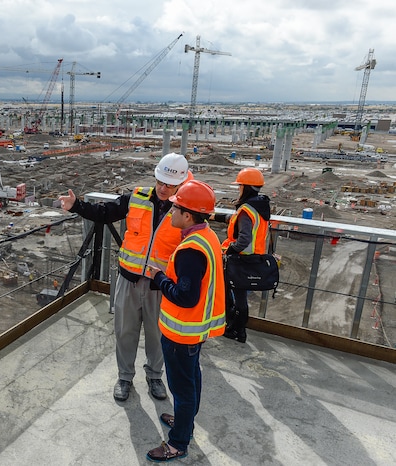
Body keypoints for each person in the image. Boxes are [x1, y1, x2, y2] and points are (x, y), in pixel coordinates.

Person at [58, 152, 190, 402]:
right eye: (161, 182)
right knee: (124, 331)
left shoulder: (183, 212)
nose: (163, 188)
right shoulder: (136, 198)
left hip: (160, 285)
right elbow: (104, 212)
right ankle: (125, 377)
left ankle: (154, 376)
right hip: (128, 280)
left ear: (180, 184)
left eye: (170, 185)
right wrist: (76, 206)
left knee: (157, 334)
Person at [146, 180, 226, 462]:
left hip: (182, 333)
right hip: (194, 331)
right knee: (191, 379)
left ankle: (178, 443)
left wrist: (159, 278)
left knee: (182, 387)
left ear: (188, 215)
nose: (170, 211)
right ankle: (184, 422)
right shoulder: (207, 236)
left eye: (176, 207)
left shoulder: (191, 251)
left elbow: (186, 297)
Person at [209, 167, 271, 343]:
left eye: (240, 186)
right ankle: (236, 329)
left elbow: (243, 238)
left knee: (238, 297)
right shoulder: (258, 207)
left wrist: (229, 250)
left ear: (246, 187)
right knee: (239, 295)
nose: (239, 189)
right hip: (253, 257)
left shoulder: (246, 210)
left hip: (241, 259)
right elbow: (236, 221)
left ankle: (236, 330)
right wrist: (215, 217)